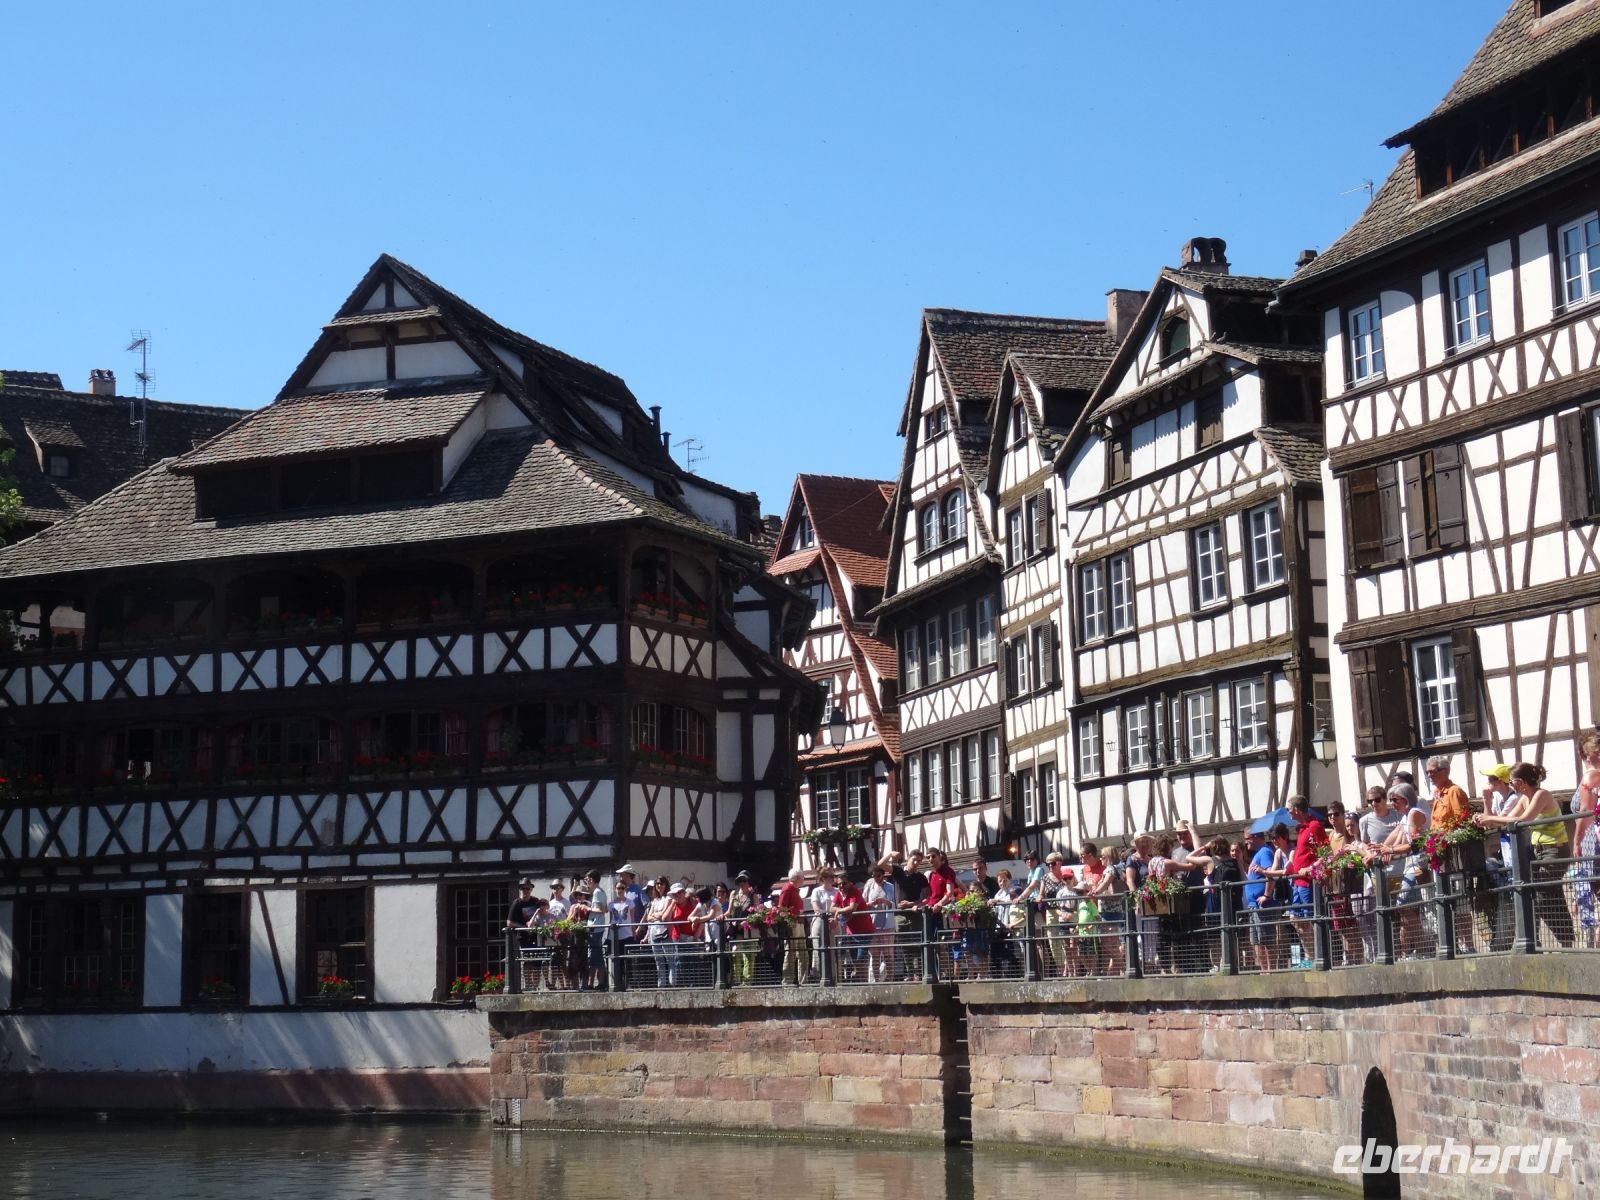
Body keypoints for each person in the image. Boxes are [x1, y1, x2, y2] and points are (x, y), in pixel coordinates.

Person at [1478, 762, 1576, 948]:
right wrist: (1486, 804)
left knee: (1539, 894)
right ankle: (1566, 941)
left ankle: (1534, 941)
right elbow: (1501, 823)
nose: (1511, 785)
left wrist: (1490, 818)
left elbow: (1524, 820)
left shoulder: (1541, 795)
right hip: (1538, 852)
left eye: (1513, 782)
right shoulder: (1524, 798)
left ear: (1521, 782)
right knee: (1552, 895)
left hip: (1554, 850)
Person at [1571, 731, 1600, 945]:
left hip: (1591, 839)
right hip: (1592, 838)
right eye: (1594, 753)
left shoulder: (1591, 776)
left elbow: (1584, 810)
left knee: (1593, 884)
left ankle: (1594, 938)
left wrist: (1576, 840)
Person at [833, 872, 876, 982]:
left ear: (850, 883)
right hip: (851, 932)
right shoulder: (839, 893)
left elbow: (852, 907)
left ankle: (863, 981)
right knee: (854, 959)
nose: (841, 886)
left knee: (861, 958)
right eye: (839, 884)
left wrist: (838, 911)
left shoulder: (854, 891)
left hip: (864, 930)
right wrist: (839, 910)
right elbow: (831, 908)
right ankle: (860, 980)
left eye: (844, 883)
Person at [862, 862, 898, 982]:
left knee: (888, 954)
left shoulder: (890, 887)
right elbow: (862, 905)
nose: (876, 878)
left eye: (878, 875)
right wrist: (870, 903)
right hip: (873, 925)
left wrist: (886, 902)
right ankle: (875, 980)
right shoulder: (869, 888)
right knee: (875, 954)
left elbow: (895, 904)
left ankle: (890, 978)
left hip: (887, 925)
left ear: (883, 875)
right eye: (874, 876)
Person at [726, 871, 761, 985]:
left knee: (749, 956)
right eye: (740, 881)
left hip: (749, 930)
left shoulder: (753, 895)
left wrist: (747, 921)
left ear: (748, 882)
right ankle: (737, 981)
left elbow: (758, 913)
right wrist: (722, 916)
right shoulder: (733, 894)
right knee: (736, 955)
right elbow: (729, 912)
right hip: (736, 931)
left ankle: (747, 983)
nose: (742, 883)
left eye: (744, 880)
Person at [776, 867, 808, 984]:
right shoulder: (787, 889)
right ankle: (787, 981)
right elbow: (782, 910)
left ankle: (803, 981)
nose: (803, 879)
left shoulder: (795, 890)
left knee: (803, 954)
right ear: (796, 878)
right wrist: (794, 915)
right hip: (793, 924)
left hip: (799, 924)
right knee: (791, 953)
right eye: (802, 877)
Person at [1425, 756, 1472, 830]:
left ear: (1445, 771)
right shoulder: (1437, 792)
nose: (1429, 775)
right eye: (1427, 772)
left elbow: (1462, 821)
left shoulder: (1454, 791)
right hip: (1437, 839)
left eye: (1432, 771)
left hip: (1449, 839)